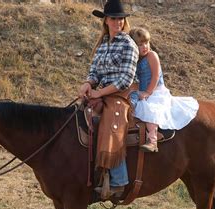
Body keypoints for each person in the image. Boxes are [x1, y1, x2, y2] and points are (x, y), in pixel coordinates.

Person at [78, 0, 139, 198]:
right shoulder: (103, 44)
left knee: (111, 124)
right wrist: (88, 83)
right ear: (106, 20)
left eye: (120, 19)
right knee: (77, 117)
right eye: (114, 18)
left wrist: (99, 93)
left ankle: (118, 181)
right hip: (103, 91)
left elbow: (125, 80)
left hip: (123, 94)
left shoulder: (128, 44)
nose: (118, 22)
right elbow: (94, 70)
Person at [129, 27, 199, 152]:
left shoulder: (152, 55)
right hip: (144, 92)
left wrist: (148, 92)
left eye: (146, 43)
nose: (144, 46)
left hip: (156, 91)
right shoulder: (136, 61)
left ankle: (152, 140)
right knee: (134, 107)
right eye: (140, 44)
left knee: (150, 110)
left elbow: (155, 76)